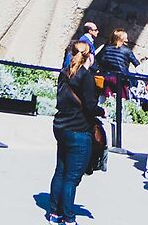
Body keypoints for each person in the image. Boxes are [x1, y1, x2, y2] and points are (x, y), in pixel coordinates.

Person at [48, 36, 104, 225]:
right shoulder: (86, 76)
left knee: (60, 171)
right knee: (72, 177)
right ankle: (69, 218)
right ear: (90, 57)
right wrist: (101, 110)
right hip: (78, 129)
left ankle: (54, 213)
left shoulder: (65, 73)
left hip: (61, 126)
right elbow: (89, 107)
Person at [98, 29, 140, 153]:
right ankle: (119, 120)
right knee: (121, 101)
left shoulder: (107, 48)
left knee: (104, 98)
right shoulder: (127, 50)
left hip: (107, 76)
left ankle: (105, 116)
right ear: (122, 38)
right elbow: (136, 64)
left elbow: (99, 59)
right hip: (121, 78)